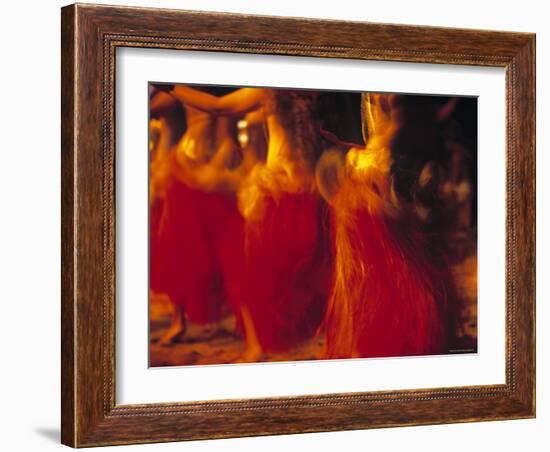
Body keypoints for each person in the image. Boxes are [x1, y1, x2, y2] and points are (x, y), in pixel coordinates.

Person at [167, 86, 331, 360]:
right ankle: (297, 342)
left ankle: (257, 347)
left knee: (250, 269)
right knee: (317, 269)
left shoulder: (270, 91)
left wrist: (170, 87)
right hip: (313, 187)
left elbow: (219, 106)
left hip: (281, 189)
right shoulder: (315, 90)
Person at [316, 93, 455, 359]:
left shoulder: (398, 99)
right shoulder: (380, 97)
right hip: (373, 183)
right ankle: (382, 340)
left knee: (397, 268)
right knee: (370, 272)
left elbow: (400, 132)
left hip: (384, 182)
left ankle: (407, 339)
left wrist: (371, 159)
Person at [149, 86, 244, 345]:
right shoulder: (186, 85)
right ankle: (178, 319)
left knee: (226, 246)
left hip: (209, 158)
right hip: (196, 159)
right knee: (179, 245)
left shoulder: (191, 84)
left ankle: (235, 317)